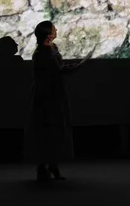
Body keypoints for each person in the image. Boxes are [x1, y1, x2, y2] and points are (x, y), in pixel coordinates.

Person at [24, 21, 92, 182]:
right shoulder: (42, 52)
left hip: (53, 91)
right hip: (46, 93)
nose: (56, 30)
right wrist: (77, 66)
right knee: (45, 128)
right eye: (54, 29)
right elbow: (56, 71)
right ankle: (43, 166)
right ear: (48, 34)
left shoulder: (51, 48)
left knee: (54, 128)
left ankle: (52, 165)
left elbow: (58, 68)